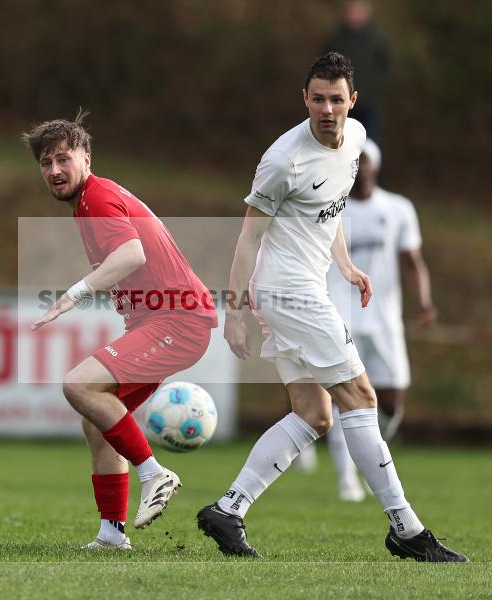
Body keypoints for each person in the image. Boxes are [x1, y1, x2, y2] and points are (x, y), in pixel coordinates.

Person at [195, 53, 467, 562]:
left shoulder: (356, 138)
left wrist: (344, 265)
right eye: (317, 99)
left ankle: (229, 510)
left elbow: (331, 208)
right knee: (361, 396)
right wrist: (233, 313)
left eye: (336, 99)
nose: (326, 109)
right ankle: (406, 528)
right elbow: (247, 239)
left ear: (352, 101)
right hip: (288, 293)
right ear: (304, 99)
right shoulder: (284, 160)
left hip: (305, 289)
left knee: (315, 414)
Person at [23, 111, 218, 550]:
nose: (54, 170)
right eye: (45, 163)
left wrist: (75, 293)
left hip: (178, 323)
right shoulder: (90, 201)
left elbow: (131, 254)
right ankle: (112, 534)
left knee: (78, 385)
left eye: (63, 159)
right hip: (166, 321)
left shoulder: (97, 198)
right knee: (97, 420)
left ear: (86, 159)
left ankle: (154, 474)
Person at [325, 138, 436, 502]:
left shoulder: (398, 208)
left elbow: (413, 261)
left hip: (384, 319)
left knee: (391, 403)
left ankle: (368, 457)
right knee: (345, 398)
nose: (362, 166)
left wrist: (423, 302)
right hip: (342, 313)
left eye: (366, 159)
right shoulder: (330, 206)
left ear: (376, 165)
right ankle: (347, 478)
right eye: (355, 160)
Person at [320, 0, 391, 142]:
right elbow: (324, 65)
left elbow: (385, 67)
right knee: (341, 140)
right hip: (341, 102)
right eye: (352, 10)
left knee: (368, 143)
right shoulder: (336, 39)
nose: (355, 14)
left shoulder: (376, 39)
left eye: (359, 10)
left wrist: (373, 87)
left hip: (367, 103)